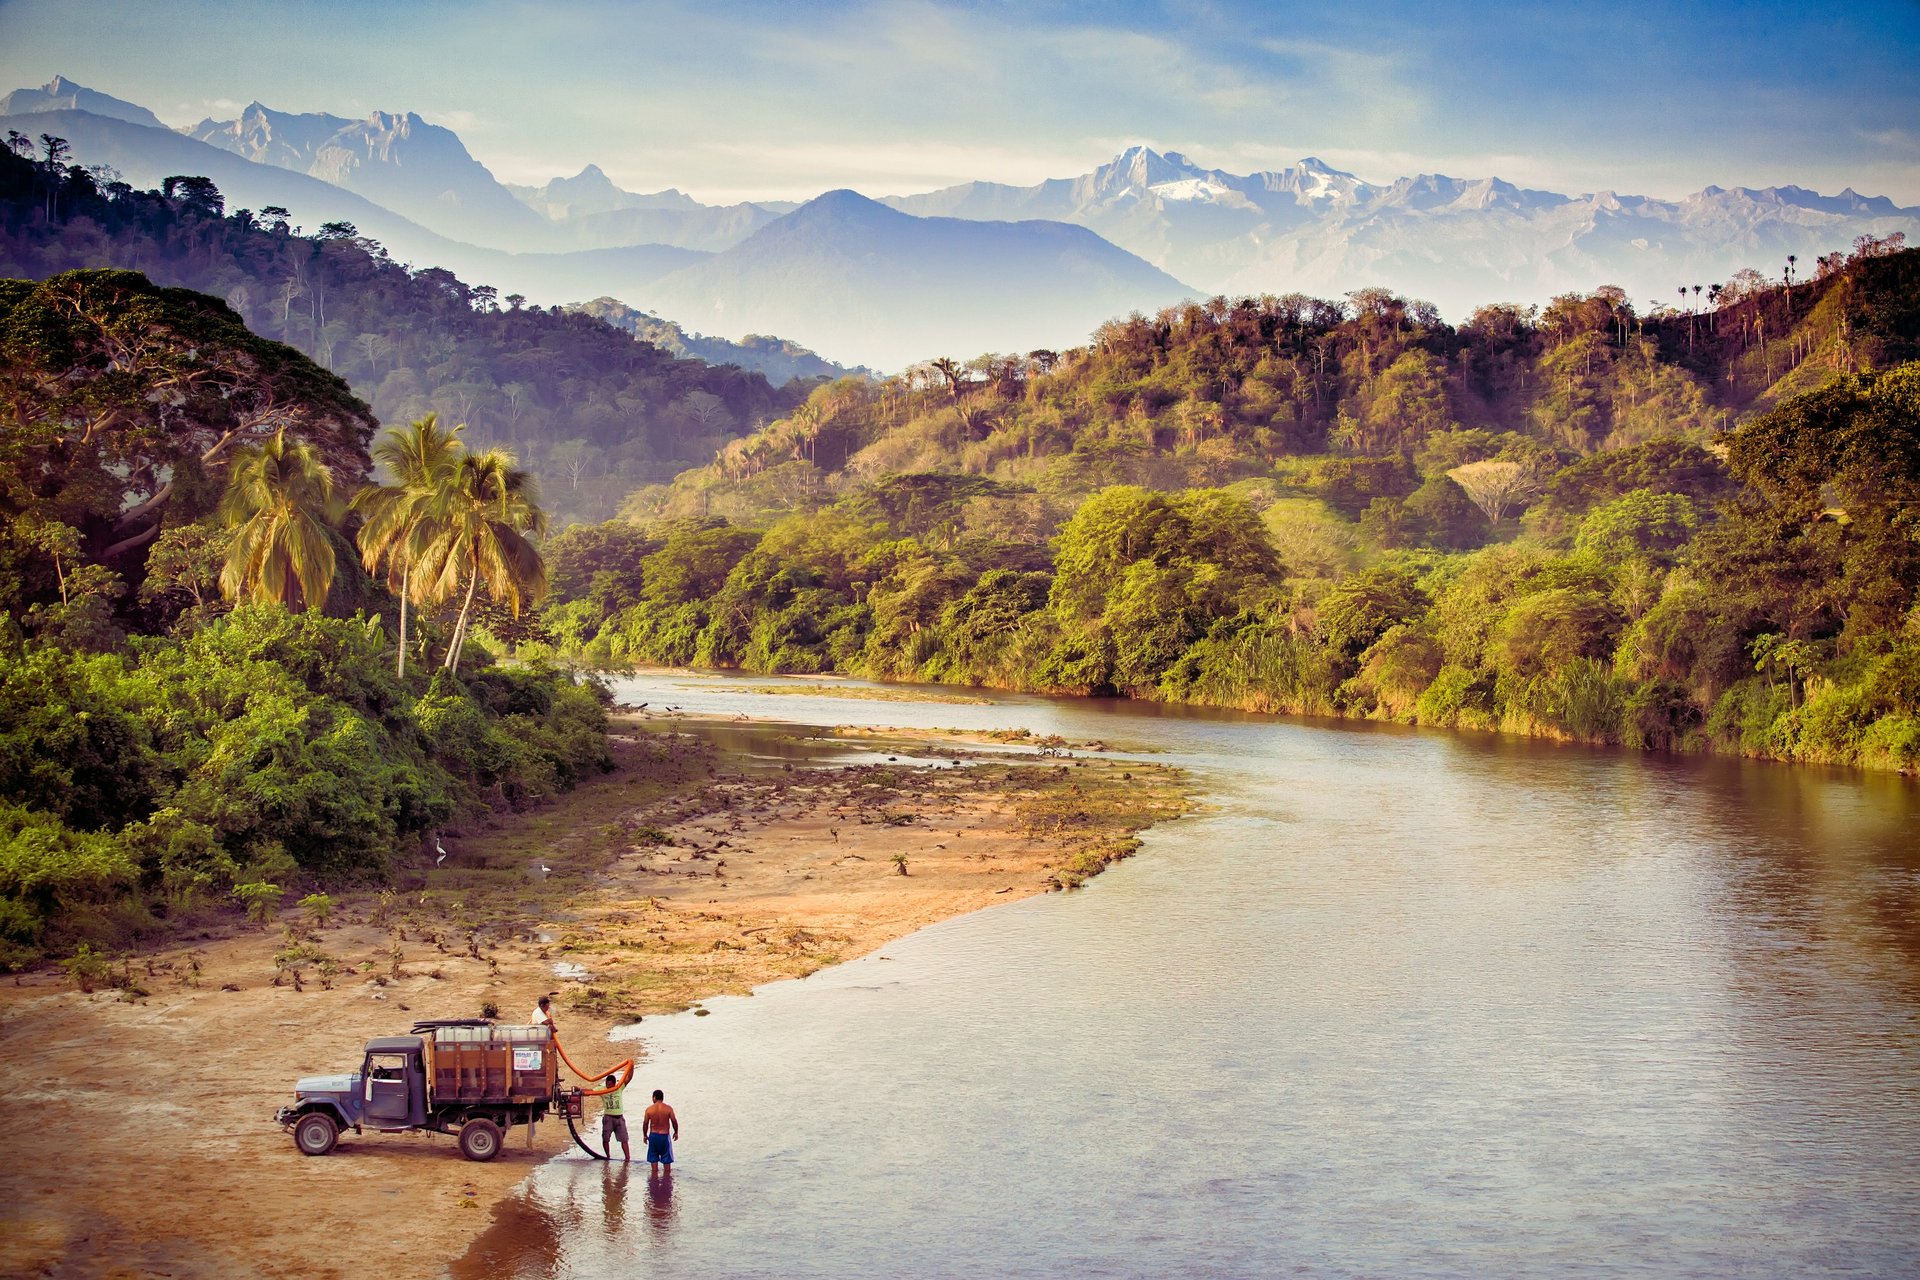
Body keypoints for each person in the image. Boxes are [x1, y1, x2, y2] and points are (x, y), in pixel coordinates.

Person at [642, 1088, 679, 1168]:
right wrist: (676, 1132)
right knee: (667, 1164)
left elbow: (645, 1123)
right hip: (664, 1136)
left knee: (654, 1163)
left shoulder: (649, 1109)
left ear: (654, 1097)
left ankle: (654, 1179)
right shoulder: (668, 1108)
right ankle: (666, 1180)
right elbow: (674, 1121)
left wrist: (645, 1135)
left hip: (653, 1136)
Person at [600, 1073, 631, 1162]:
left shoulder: (619, 1087)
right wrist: (581, 1091)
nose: (608, 1087)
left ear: (614, 1084)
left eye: (610, 1085)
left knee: (624, 1139)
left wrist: (631, 1066)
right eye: (607, 1084)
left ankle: (627, 1159)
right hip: (608, 1118)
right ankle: (608, 1157)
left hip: (619, 1118)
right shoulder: (602, 1089)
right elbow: (591, 1091)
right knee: (605, 1139)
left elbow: (629, 1078)